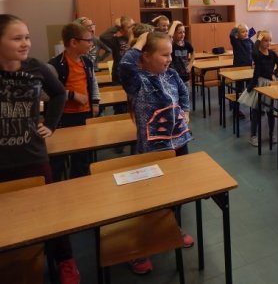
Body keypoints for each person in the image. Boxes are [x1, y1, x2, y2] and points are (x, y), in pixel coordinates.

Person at [0, 14, 80, 284]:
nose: (26, 43)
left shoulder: (37, 68)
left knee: (50, 212)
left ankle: (65, 260)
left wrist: (51, 125)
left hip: (32, 155)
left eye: (27, 37)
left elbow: (59, 93)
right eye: (17, 38)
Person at [118, 31, 194, 274]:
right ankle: (140, 247)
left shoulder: (171, 74)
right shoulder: (137, 80)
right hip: (153, 150)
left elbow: (184, 92)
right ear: (145, 57)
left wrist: (185, 111)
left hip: (179, 144)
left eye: (170, 54)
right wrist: (140, 41)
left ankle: (171, 228)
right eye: (164, 54)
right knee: (150, 201)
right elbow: (124, 67)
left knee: (176, 194)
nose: (170, 59)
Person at [48, 22, 100, 180]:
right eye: (88, 40)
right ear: (73, 42)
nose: (91, 44)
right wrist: (71, 95)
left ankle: (80, 184)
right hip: (63, 117)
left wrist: (95, 102)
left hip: (84, 114)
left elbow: (93, 83)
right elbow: (46, 92)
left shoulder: (87, 62)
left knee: (82, 157)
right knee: (58, 158)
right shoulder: (55, 65)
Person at [238, 30, 278, 146]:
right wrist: (257, 40)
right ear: (260, 41)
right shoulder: (257, 55)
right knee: (257, 111)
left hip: (270, 85)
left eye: (270, 40)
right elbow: (254, 51)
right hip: (259, 84)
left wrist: (275, 74)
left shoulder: (272, 54)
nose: (268, 43)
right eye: (265, 40)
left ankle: (271, 134)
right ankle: (253, 136)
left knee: (270, 111)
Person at [230, 23, 256, 118]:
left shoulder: (249, 41)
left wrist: (255, 62)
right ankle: (236, 110)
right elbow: (231, 34)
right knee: (239, 90)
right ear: (238, 33)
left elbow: (254, 52)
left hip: (249, 69)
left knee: (251, 89)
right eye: (242, 32)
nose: (245, 33)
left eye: (246, 31)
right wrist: (236, 27)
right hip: (238, 69)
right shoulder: (236, 42)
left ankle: (254, 109)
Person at [100, 15, 134, 85]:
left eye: (132, 26)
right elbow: (103, 36)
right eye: (129, 27)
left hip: (132, 74)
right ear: (122, 29)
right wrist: (116, 27)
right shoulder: (116, 40)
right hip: (118, 75)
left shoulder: (138, 38)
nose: (131, 29)